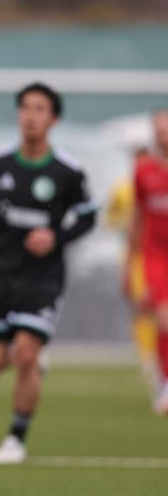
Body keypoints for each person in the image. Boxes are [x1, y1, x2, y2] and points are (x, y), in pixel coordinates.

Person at [0, 83, 97, 463]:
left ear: (53, 119)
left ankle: (16, 438)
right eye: (26, 108)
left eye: (40, 109)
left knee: (25, 353)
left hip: (41, 279)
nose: (31, 115)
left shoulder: (67, 170)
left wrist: (56, 236)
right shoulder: (0, 162)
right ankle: (31, 359)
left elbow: (88, 217)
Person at [105, 148, 158, 389]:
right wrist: (124, 227)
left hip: (158, 254)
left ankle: (156, 356)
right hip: (135, 256)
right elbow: (110, 219)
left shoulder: (158, 182)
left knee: (157, 306)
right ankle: (148, 357)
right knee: (141, 307)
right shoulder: (123, 188)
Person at [130, 109, 168, 415]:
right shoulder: (144, 171)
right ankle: (164, 382)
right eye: (159, 128)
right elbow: (139, 218)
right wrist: (132, 262)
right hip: (156, 254)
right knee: (164, 318)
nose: (163, 133)